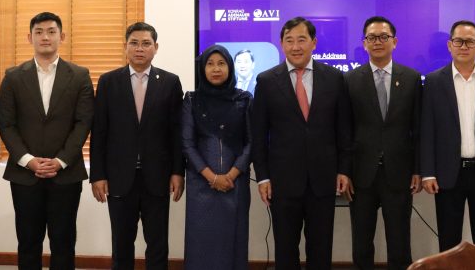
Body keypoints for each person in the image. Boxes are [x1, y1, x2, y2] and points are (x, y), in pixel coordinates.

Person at [250, 16, 352, 270]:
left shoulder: (334, 78)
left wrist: (344, 169)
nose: (295, 46)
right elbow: (258, 134)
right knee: (285, 250)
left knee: (321, 249)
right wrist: (262, 177)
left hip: (323, 179)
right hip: (282, 181)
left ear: (314, 43)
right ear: (282, 44)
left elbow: (343, 129)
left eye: (301, 40)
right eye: (289, 40)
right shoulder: (266, 81)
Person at [0, 12, 94, 270]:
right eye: (39, 32)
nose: (45, 37)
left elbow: (83, 123)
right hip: (25, 175)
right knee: (28, 242)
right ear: (29, 38)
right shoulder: (13, 76)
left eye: (51, 31)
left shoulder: (80, 75)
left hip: (66, 173)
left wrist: (61, 160)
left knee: (64, 242)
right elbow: (6, 124)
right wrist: (28, 160)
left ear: (62, 37)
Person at [89, 22, 184, 270]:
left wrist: (178, 172)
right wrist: (97, 175)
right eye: (134, 43)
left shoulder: (170, 82)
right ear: (125, 46)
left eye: (146, 43)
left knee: (158, 245)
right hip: (120, 177)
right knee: (121, 245)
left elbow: (176, 133)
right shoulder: (109, 82)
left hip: (158, 176)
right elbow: (99, 132)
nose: (139, 48)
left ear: (156, 47)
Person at [420, 19, 475, 251]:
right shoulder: (433, 82)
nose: (464, 46)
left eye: (470, 41)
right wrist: (428, 173)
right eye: (458, 41)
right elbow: (427, 130)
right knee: (448, 241)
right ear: (449, 45)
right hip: (448, 173)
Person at [346, 16, 422, 270]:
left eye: (383, 37)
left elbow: (418, 129)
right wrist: (344, 171)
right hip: (361, 174)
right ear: (364, 43)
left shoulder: (411, 78)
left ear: (394, 42)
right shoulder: (350, 80)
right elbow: (344, 130)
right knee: (361, 243)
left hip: (399, 173)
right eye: (372, 37)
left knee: (399, 243)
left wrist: (417, 169)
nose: (377, 42)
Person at [181, 44, 251, 270]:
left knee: (233, 242)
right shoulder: (192, 100)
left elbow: (252, 142)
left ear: (230, 67)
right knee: (201, 243)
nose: (216, 69)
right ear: (203, 69)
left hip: (235, 184)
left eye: (221, 63)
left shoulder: (244, 99)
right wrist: (212, 177)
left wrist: (231, 174)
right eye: (210, 64)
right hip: (201, 184)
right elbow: (187, 143)